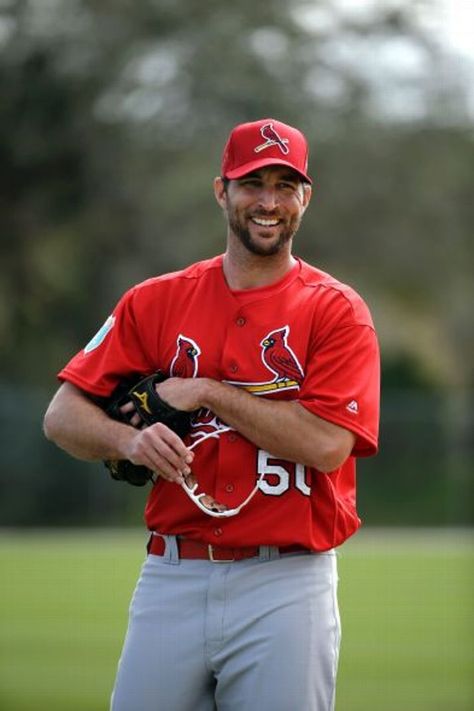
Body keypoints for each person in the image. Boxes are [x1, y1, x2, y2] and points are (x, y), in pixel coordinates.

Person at [43, 117, 380, 711]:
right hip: (173, 573)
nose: (268, 202)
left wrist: (207, 392)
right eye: (252, 183)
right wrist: (127, 442)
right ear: (221, 190)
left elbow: (329, 446)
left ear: (306, 197)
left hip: (287, 582)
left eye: (285, 184)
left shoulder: (336, 312)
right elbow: (62, 416)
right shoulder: (154, 300)